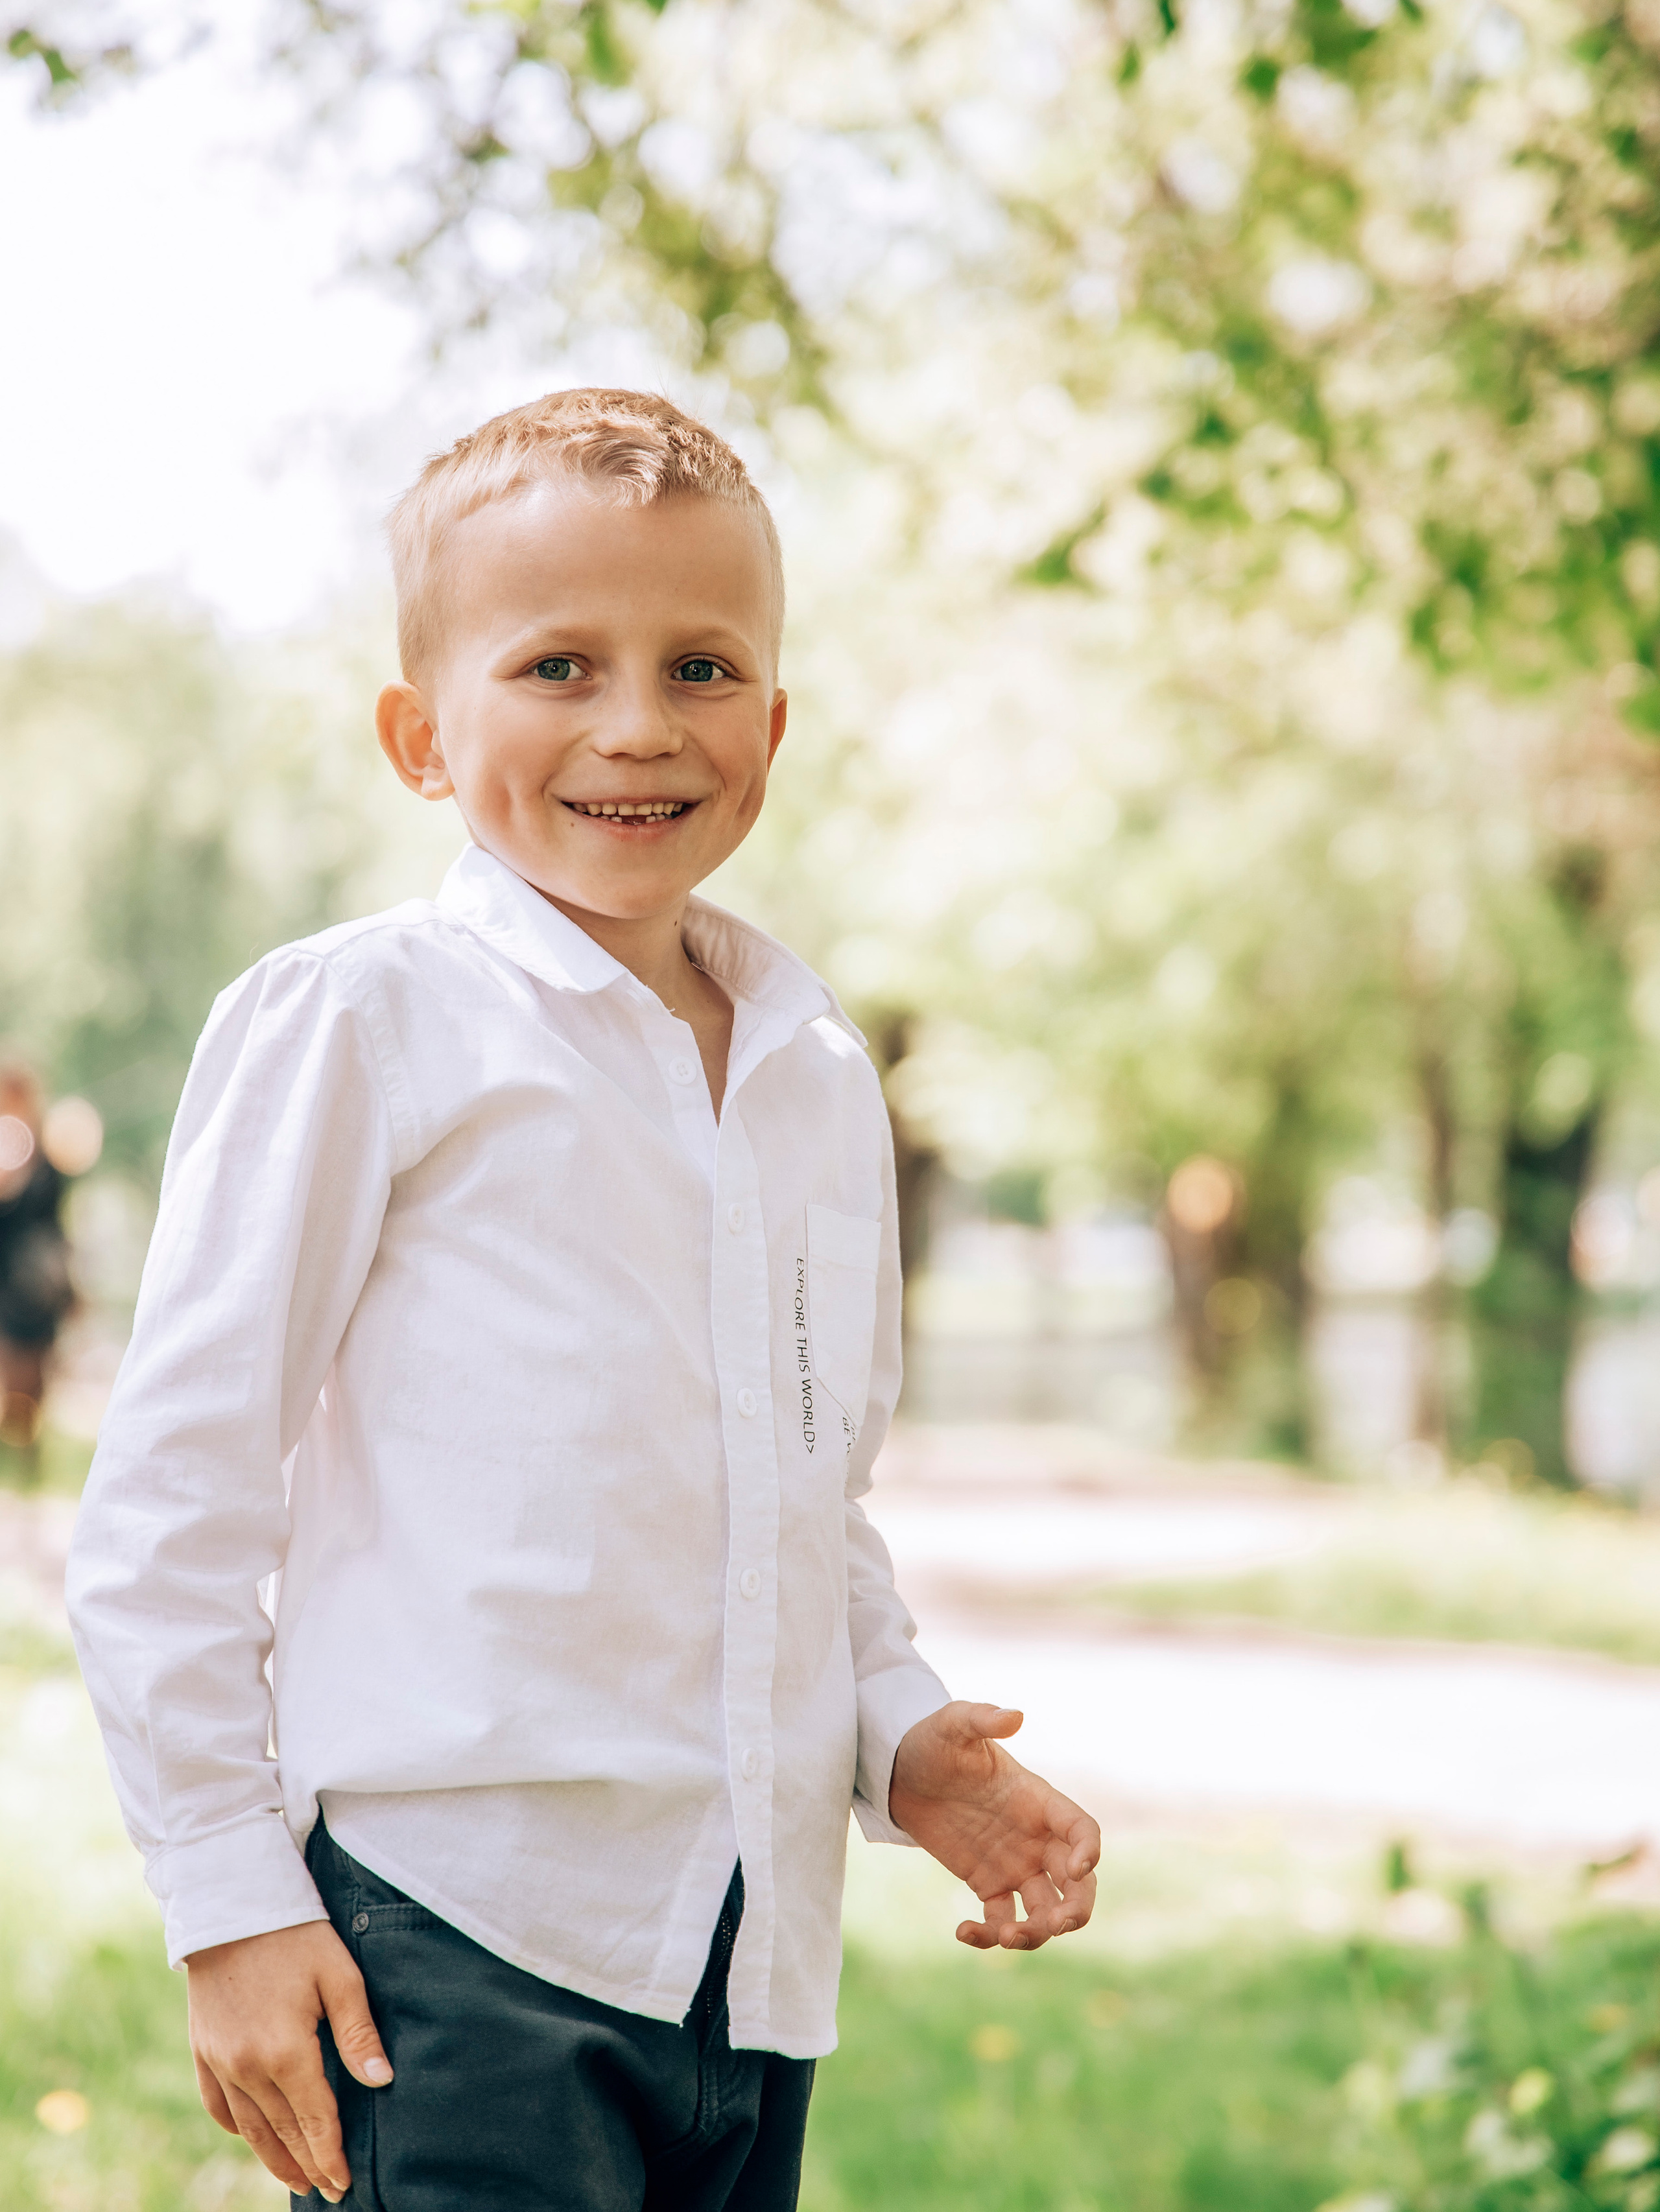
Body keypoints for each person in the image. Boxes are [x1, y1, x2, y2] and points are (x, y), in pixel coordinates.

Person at [66, 390, 1100, 2212]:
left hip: (742, 1954)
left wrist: (902, 1736)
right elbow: (174, 1502)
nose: (639, 724)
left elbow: (803, 1498)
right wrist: (230, 1897)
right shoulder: (364, 1024)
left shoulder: (811, 1069)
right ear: (418, 732)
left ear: (774, 722)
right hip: (456, 1949)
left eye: (702, 667)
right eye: (558, 663)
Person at [0, 1059, 76, 1461]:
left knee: (35, 1379)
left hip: (38, 1288)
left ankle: (27, 1453)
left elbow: (55, 1223)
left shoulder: (47, 1160)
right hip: (7, 1285)